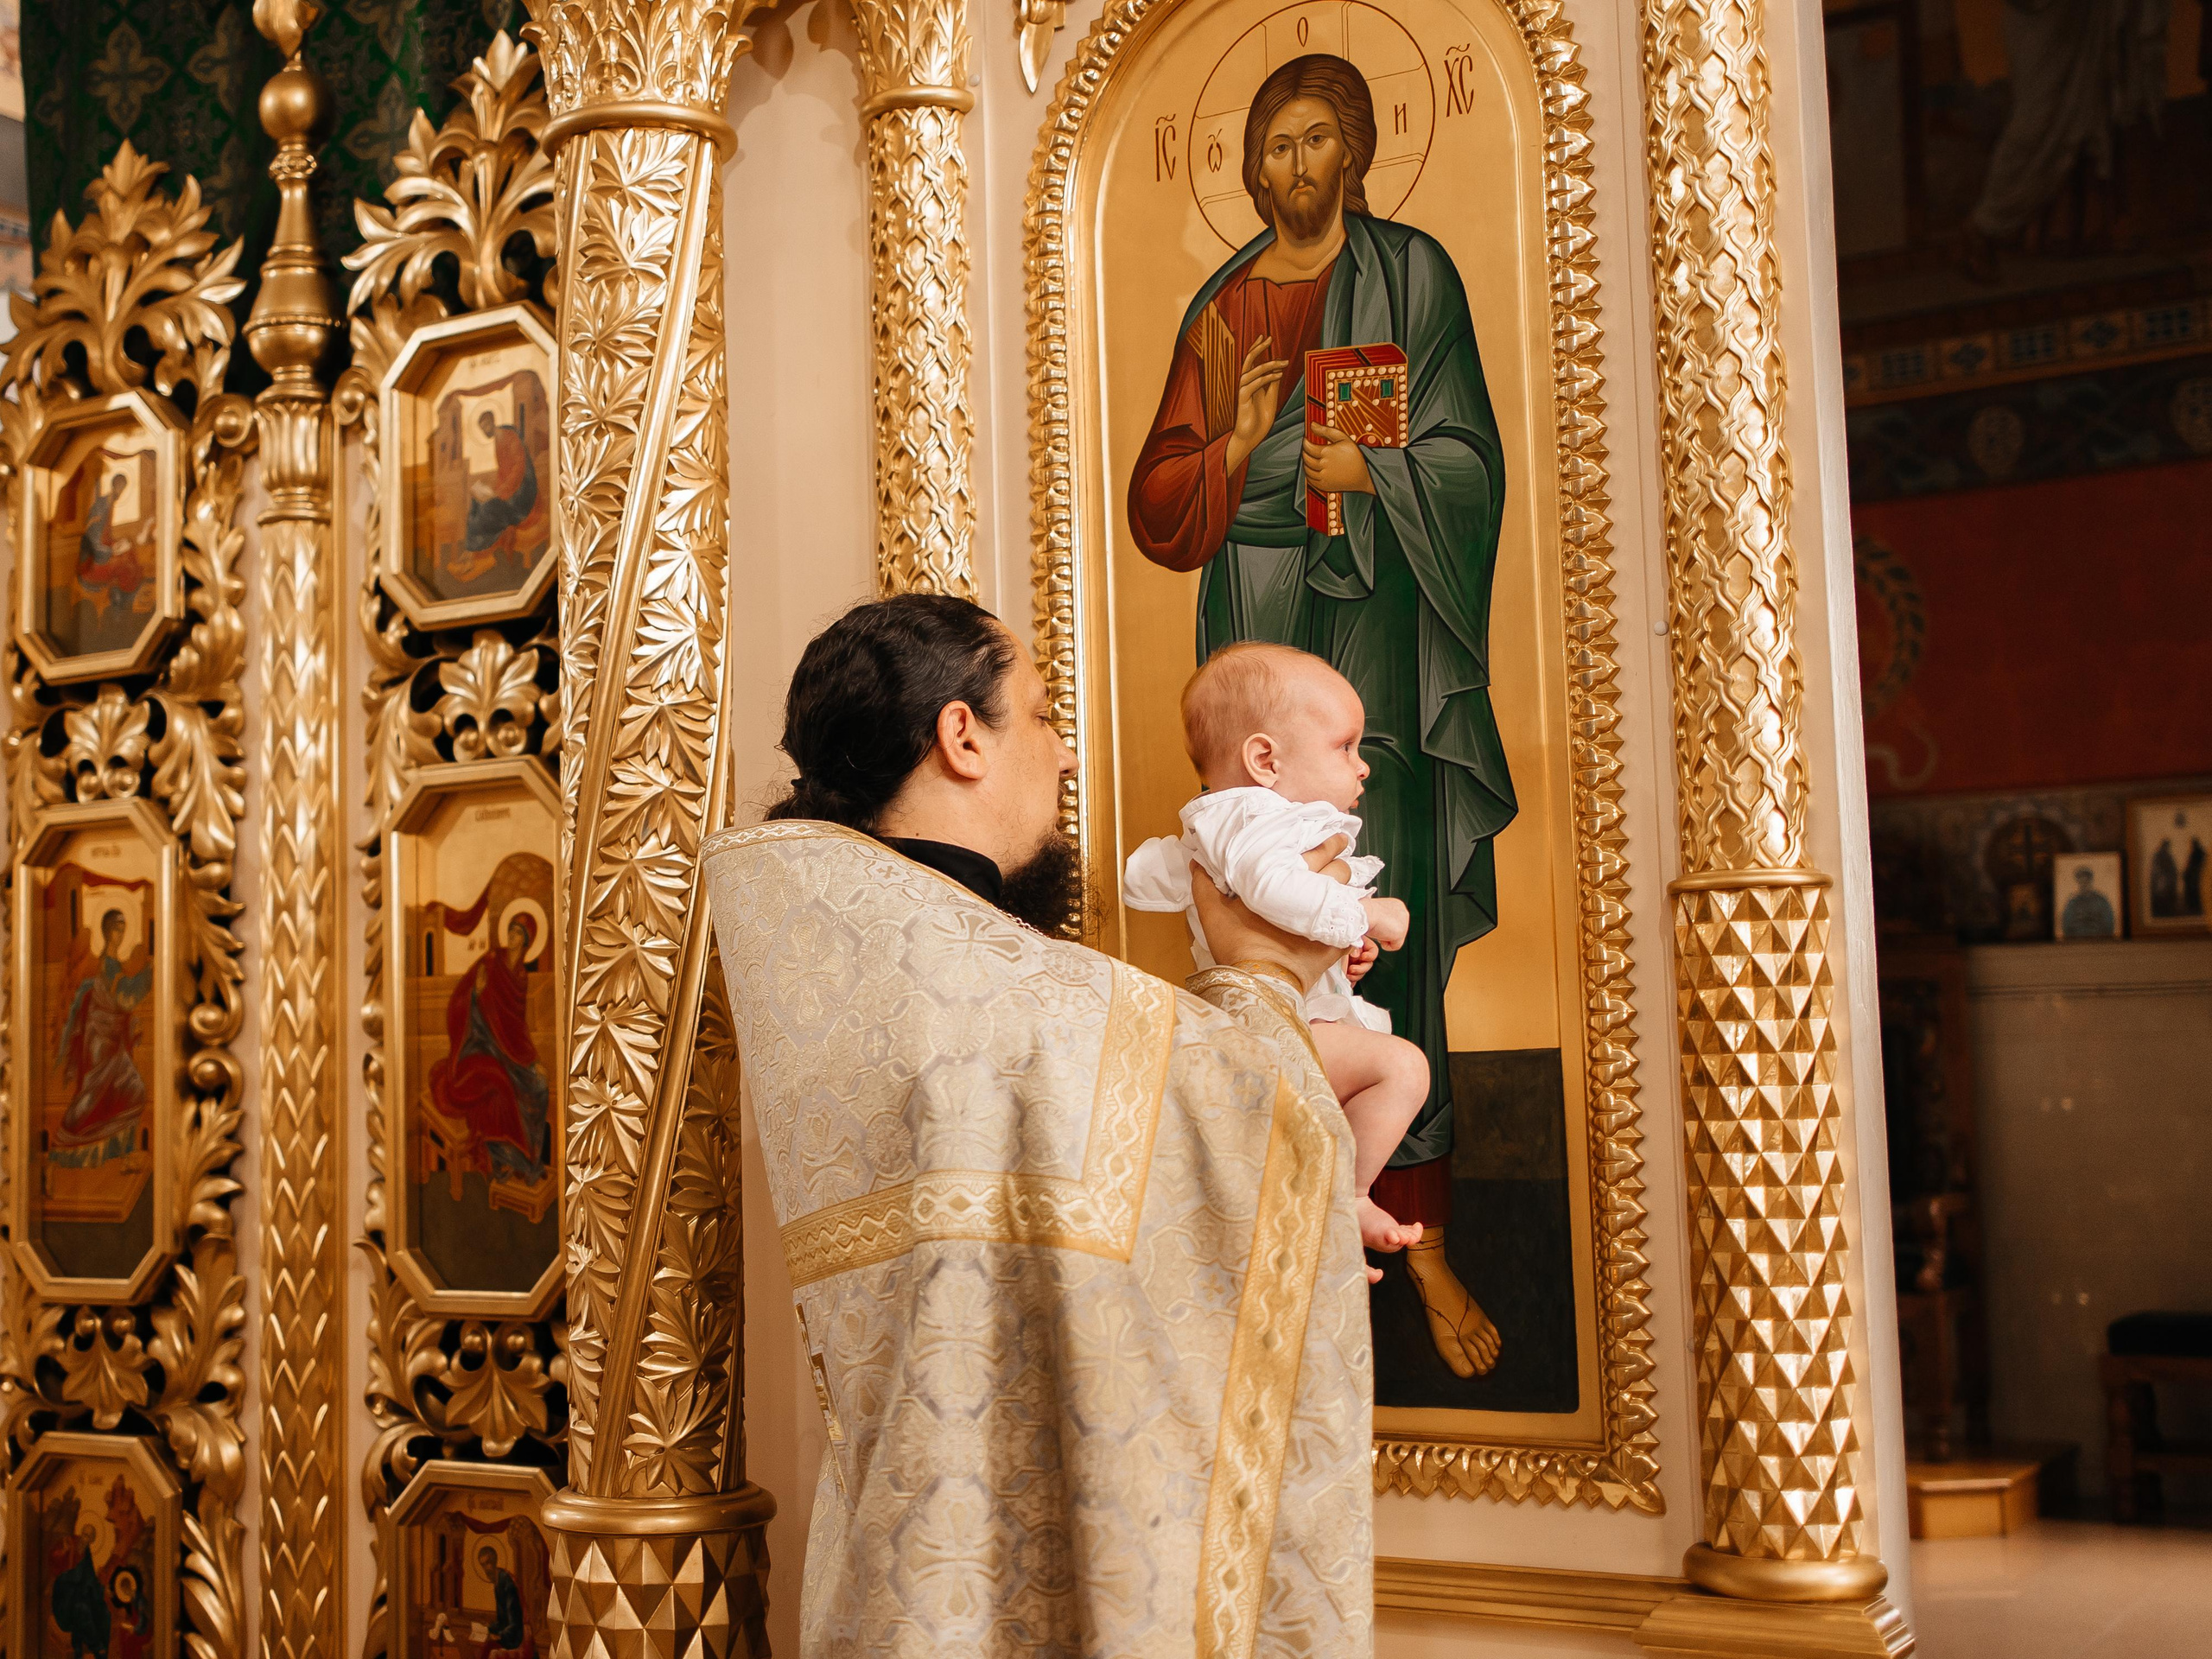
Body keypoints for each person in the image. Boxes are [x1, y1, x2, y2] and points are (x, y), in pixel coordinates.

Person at [703, 594, 1372, 1656]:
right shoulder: (963, 982)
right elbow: (1247, 1106)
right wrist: (1260, 979)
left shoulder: (846, 952)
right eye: (1045, 715)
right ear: (961, 736)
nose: (1064, 757)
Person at [1125, 52, 1513, 1378]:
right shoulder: (1225, 306)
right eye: (1269, 149)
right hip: (1259, 616)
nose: (1290, 171)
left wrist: (1382, 471)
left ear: (1352, 154)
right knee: (1265, 938)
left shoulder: (1414, 277)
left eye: (1312, 146)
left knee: (1382, 940)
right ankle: (1276, 1211)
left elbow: (1469, 459)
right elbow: (1163, 507)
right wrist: (1239, 449)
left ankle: (1420, 1229)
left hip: (1378, 648)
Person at [1123, 642, 1427, 1263]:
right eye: (1345, 746)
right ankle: (1351, 1195)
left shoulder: (1227, 827)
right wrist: (1365, 913)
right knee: (1402, 1069)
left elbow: (1147, 880)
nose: (1362, 766)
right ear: (1264, 760)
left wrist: (1343, 951)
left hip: (1285, 1016)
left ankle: (1320, 1215)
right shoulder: (1262, 820)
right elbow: (1274, 890)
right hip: (1280, 1023)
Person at [429, 911, 550, 1185]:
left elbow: (516, 1025)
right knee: (498, 1084)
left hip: (512, 1050)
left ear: (528, 940)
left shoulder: (521, 976)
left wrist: (531, 1060)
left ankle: (531, 1157)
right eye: (511, 930)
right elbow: (460, 997)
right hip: (480, 1043)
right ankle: (503, 1159)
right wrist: (475, 992)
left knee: (540, 1086)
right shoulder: (491, 961)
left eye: (519, 932)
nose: (512, 936)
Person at [56, 908, 152, 1150]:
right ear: (108, 933)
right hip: (101, 1039)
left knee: (128, 1092)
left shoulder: (113, 964)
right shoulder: (108, 965)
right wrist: (149, 974)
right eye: (117, 930)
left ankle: (112, 1151)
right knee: (97, 1094)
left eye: (123, 931)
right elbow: (125, 996)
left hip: (111, 1038)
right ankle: (69, 1136)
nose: (121, 935)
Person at [457, 405, 543, 579]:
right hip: (507, 492)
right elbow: (503, 472)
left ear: (492, 422)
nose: (484, 431)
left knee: (488, 510)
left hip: (521, 496)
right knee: (476, 503)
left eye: (486, 427)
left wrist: (501, 492)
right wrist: (493, 491)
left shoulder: (508, 437)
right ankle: (470, 550)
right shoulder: (498, 440)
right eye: (481, 429)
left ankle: (474, 555)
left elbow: (519, 468)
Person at [2058, 864, 2116, 938]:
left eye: (2086, 881)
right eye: (2081, 882)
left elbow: (2109, 924)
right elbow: (2066, 925)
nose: (2084, 884)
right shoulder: (2072, 902)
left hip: (2098, 940)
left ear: (2091, 881)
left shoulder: (2101, 901)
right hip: (2077, 940)